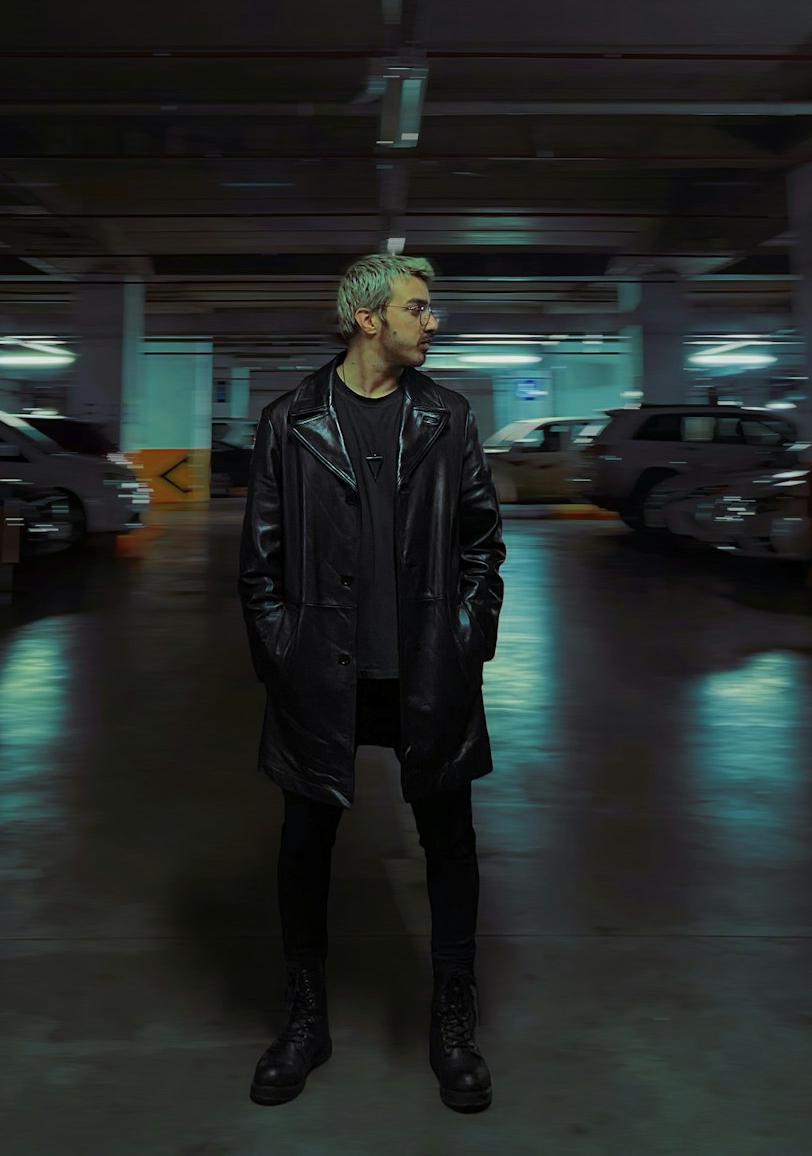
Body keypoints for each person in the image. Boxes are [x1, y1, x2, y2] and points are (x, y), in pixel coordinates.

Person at [238, 253, 506, 1112]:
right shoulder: (292, 422)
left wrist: (467, 642)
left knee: (451, 842)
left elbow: (481, 547)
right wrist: (285, 657)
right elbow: (260, 567)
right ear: (368, 319)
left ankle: (452, 1020)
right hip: (323, 672)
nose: (433, 323)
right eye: (419, 309)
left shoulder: (449, 418)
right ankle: (306, 1019)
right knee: (305, 843)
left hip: (429, 668)